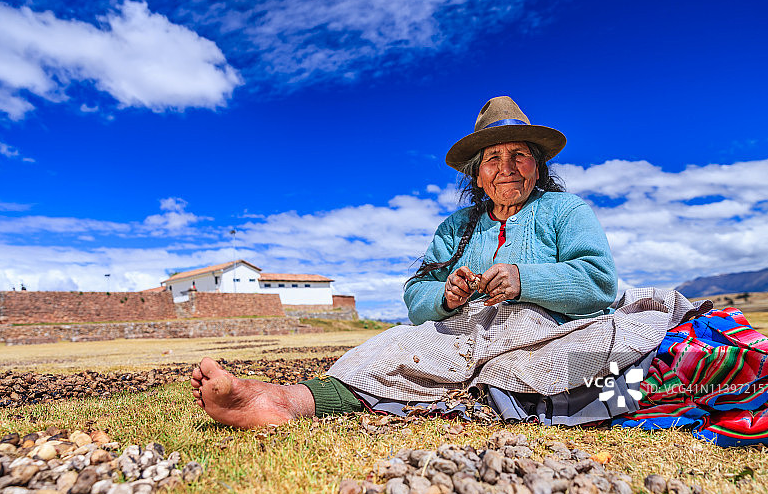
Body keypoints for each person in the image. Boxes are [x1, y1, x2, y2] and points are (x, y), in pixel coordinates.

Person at [191, 96, 698, 428]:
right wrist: (446, 295)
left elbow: (600, 283)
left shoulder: (567, 211)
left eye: (518, 155)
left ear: (537, 165)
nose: (506, 168)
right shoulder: (456, 228)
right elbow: (417, 297)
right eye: (493, 160)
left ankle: (505, 393)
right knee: (391, 347)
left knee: (610, 344)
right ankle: (278, 401)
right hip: (461, 336)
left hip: (550, 330)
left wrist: (526, 279)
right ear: (477, 175)